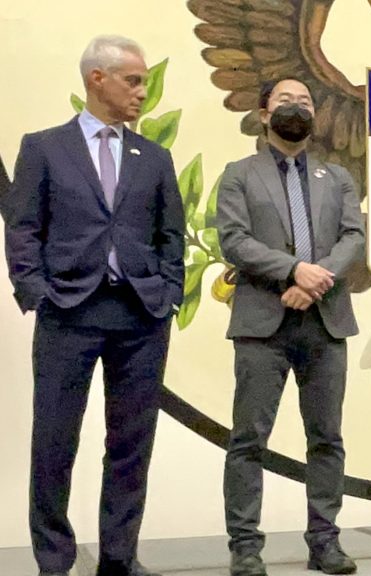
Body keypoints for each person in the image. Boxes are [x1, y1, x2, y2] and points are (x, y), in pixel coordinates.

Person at [4, 35, 184, 576]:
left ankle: (118, 557)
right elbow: (23, 228)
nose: (142, 92)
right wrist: (35, 292)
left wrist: (169, 293)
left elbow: (170, 235)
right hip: (68, 313)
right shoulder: (43, 147)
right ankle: (54, 561)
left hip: (140, 316)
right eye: (133, 80)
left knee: (131, 444)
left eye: (145, 82)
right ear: (96, 79)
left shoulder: (153, 157)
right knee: (54, 442)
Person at [216, 78, 364, 576]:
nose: (296, 108)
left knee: (327, 438)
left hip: (324, 323)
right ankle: (245, 546)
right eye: (285, 101)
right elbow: (234, 241)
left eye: (305, 102)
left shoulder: (337, 176)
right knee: (248, 439)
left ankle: (325, 542)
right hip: (263, 322)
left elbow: (352, 238)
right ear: (263, 114)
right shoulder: (239, 174)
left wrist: (313, 282)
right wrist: (292, 269)